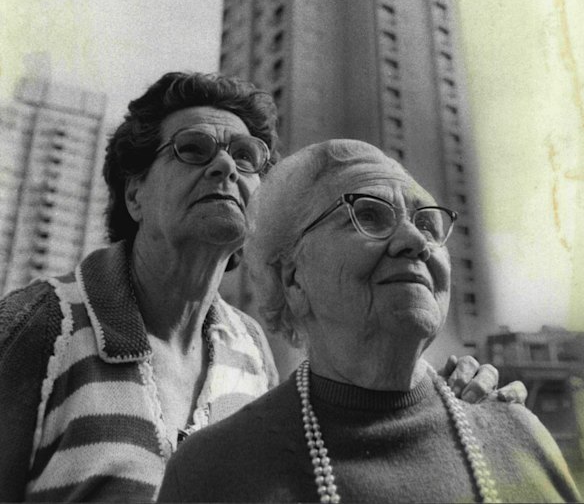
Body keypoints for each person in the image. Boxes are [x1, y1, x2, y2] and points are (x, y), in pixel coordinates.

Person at [0, 74, 525, 504]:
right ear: (135, 194)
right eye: (193, 149)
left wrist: (440, 405)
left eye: (247, 156)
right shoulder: (38, 326)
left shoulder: (250, 346)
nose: (226, 166)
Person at [158, 139, 581, 504]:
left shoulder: (520, 433)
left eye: (427, 224)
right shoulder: (213, 470)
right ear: (293, 279)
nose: (415, 241)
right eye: (370, 215)